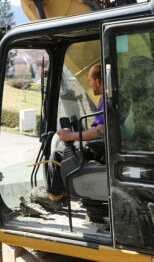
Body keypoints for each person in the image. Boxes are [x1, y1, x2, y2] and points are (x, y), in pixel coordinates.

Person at [32, 63, 104, 209]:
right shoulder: (108, 98)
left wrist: (71, 136)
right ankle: (63, 195)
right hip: (101, 145)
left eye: (90, 81)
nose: (90, 85)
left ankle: (54, 196)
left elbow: (101, 131)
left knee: (58, 153)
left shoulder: (106, 100)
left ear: (98, 82)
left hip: (100, 148)